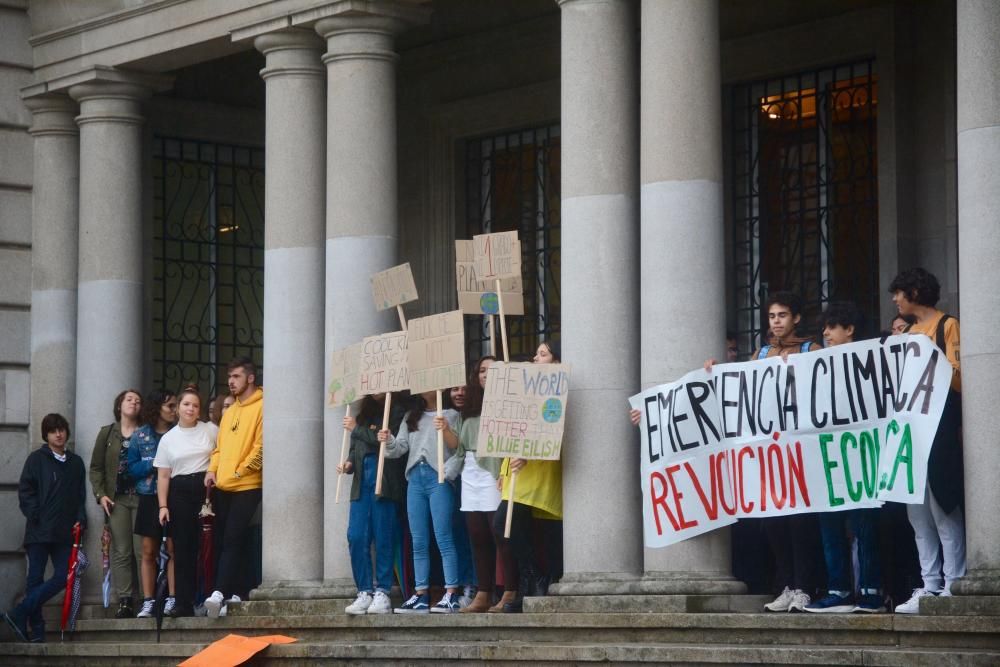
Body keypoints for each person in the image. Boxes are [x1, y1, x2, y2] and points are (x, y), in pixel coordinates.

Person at [888, 268, 966, 613]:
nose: (895, 300)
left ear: (915, 292)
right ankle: (929, 582)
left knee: (942, 506)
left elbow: (959, 376)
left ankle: (954, 581)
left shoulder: (946, 326)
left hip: (938, 428)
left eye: (899, 293)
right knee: (917, 512)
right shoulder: (905, 334)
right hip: (908, 432)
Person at [803, 302, 886, 614]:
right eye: (824, 328)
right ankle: (839, 589)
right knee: (830, 527)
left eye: (831, 327)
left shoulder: (874, 359)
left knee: (865, 527)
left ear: (849, 329)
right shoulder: (815, 364)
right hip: (828, 458)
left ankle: (871, 591)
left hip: (862, 456)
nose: (825, 333)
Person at [492, 341, 564, 613]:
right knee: (504, 525)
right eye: (536, 353)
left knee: (546, 534)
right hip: (519, 473)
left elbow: (553, 429)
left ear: (557, 362)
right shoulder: (521, 392)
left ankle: (539, 584)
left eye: (542, 354)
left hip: (542, 471)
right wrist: (503, 469)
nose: (535, 357)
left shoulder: (559, 391)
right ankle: (532, 579)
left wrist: (532, 453)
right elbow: (511, 431)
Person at [2, 414, 87, 643]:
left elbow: (80, 496)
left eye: (61, 430)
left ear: (66, 432)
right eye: (53, 431)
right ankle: (36, 631)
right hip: (39, 530)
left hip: (64, 532)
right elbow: (25, 491)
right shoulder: (36, 459)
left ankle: (19, 612)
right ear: (46, 435)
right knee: (35, 580)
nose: (58, 434)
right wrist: (36, 514)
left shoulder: (76, 462)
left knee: (62, 577)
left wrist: (81, 518)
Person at [380, 390, 461, 613]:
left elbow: (459, 448)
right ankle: (421, 594)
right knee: (418, 540)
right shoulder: (410, 416)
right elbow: (399, 449)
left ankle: (452, 592)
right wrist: (388, 440)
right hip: (415, 479)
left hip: (439, 477)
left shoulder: (451, 414)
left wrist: (448, 472)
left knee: (443, 536)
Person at [204, 357, 263, 618]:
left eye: (236, 376)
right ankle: (235, 592)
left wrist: (241, 470)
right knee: (226, 540)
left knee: (233, 538)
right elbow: (218, 447)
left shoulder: (263, 406)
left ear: (250, 378)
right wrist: (212, 470)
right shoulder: (229, 412)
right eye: (229, 376)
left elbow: (261, 448)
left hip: (247, 484)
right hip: (224, 486)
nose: (231, 381)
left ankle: (219, 591)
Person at [338, 393, 405, 615]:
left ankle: (383, 591)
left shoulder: (395, 411)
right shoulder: (363, 414)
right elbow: (355, 448)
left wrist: (356, 428)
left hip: (383, 480)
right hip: (361, 483)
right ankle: (364, 590)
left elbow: (383, 442)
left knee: (383, 535)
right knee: (356, 535)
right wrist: (348, 463)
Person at [154, 386, 218, 618]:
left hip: (206, 490)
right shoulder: (168, 439)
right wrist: (163, 505)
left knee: (208, 546)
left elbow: (220, 455)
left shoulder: (210, 430)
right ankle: (183, 602)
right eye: (186, 404)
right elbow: (163, 475)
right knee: (182, 548)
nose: (191, 408)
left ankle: (209, 597)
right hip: (179, 492)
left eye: (195, 405)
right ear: (178, 407)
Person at [449, 355, 506, 613]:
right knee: (477, 533)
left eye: (491, 370)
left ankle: (507, 589)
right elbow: (458, 446)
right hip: (471, 473)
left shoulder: (507, 404)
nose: (485, 374)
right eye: (482, 370)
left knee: (499, 533)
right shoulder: (469, 409)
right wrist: (444, 430)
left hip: (494, 470)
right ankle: (483, 592)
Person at [89, 388, 144, 618]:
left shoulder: (145, 433)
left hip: (142, 498)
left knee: (143, 550)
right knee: (122, 550)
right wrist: (100, 494)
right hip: (117, 499)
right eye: (129, 399)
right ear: (119, 405)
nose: (134, 403)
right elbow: (96, 468)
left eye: (138, 401)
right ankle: (125, 600)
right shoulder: (107, 433)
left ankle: (146, 598)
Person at [127, 390, 178, 618]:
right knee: (148, 551)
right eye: (170, 406)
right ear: (158, 408)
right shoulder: (140, 436)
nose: (174, 411)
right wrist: (154, 463)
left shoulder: (179, 434)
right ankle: (148, 600)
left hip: (174, 496)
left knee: (172, 549)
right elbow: (131, 469)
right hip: (148, 496)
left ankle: (172, 598)